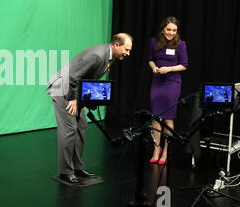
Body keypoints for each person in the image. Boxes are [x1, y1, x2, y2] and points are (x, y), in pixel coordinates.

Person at [46, 33, 133, 185]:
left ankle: (78, 168)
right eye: (126, 49)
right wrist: (73, 99)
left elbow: (89, 78)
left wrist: (84, 100)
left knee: (81, 126)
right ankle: (66, 172)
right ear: (116, 45)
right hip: (63, 89)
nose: (128, 53)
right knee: (70, 129)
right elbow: (71, 77)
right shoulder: (98, 56)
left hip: (75, 90)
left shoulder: (109, 56)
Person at [148, 16, 188, 165]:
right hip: (157, 82)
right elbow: (150, 59)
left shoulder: (181, 44)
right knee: (155, 116)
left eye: (174, 30)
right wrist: (154, 68)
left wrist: (169, 69)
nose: (171, 33)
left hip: (172, 83)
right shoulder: (154, 42)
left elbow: (184, 65)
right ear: (163, 29)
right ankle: (156, 148)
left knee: (168, 117)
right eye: (168, 29)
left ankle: (166, 150)